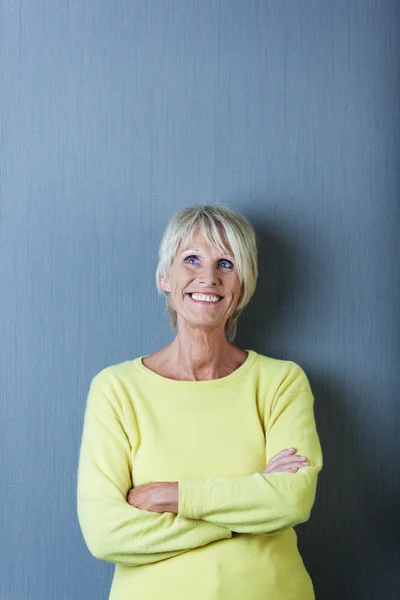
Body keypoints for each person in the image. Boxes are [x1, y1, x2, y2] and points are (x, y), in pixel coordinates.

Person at [77, 204, 323, 600]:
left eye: (226, 263)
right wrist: (250, 502)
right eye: (191, 259)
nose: (208, 277)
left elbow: (291, 501)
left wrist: (174, 496)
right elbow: (106, 535)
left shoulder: (280, 382)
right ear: (164, 277)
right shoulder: (116, 389)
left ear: (242, 285)